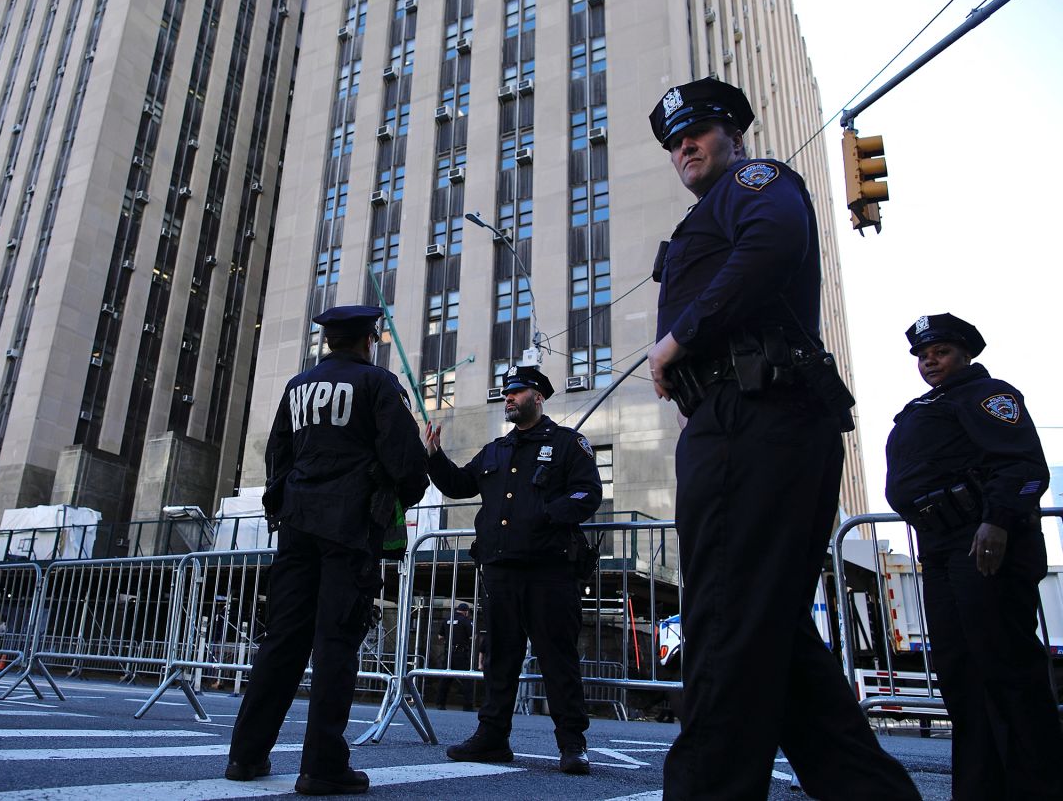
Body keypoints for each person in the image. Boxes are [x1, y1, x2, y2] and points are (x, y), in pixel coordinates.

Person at [646, 77, 919, 800]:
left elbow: (774, 242)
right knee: (769, 635)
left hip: (755, 421)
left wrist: (680, 338)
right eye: (675, 142)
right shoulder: (708, 216)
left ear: (733, 135)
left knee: (727, 624)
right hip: (737, 425)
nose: (685, 147)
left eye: (697, 131)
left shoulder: (753, 182)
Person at [225, 305, 429, 796]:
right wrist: (405, 492)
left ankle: (246, 756)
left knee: (282, 641)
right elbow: (405, 461)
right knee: (336, 642)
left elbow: (277, 455)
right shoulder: (379, 384)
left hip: (297, 527)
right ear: (369, 340)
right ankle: (322, 765)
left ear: (329, 341)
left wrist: (291, 500)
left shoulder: (297, 386)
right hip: (350, 528)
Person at [885, 313, 1063, 800]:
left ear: (965, 353)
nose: (929, 362)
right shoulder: (922, 406)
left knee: (1005, 667)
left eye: (939, 352)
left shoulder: (987, 395)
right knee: (960, 673)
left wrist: (998, 521)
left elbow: (1025, 465)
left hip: (984, 541)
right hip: (941, 547)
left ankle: (1039, 787)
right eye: (923, 355)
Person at [424, 365, 601, 775]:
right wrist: (434, 456)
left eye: (517, 392)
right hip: (501, 570)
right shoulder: (496, 450)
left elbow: (587, 492)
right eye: (506, 393)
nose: (508, 398)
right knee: (500, 658)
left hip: (549, 570)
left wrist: (543, 516)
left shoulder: (568, 444)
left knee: (558, 659)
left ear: (538, 397)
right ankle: (493, 738)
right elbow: (460, 485)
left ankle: (572, 743)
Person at [431, 602, 475, 711]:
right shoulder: (465, 621)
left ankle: (440, 704)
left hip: (448, 652)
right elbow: (472, 637)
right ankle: (467, 706)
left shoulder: (447, 620)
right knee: (467, 679)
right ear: (466, 612)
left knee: (445, 679)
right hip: (461, 653)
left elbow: (440, 636)